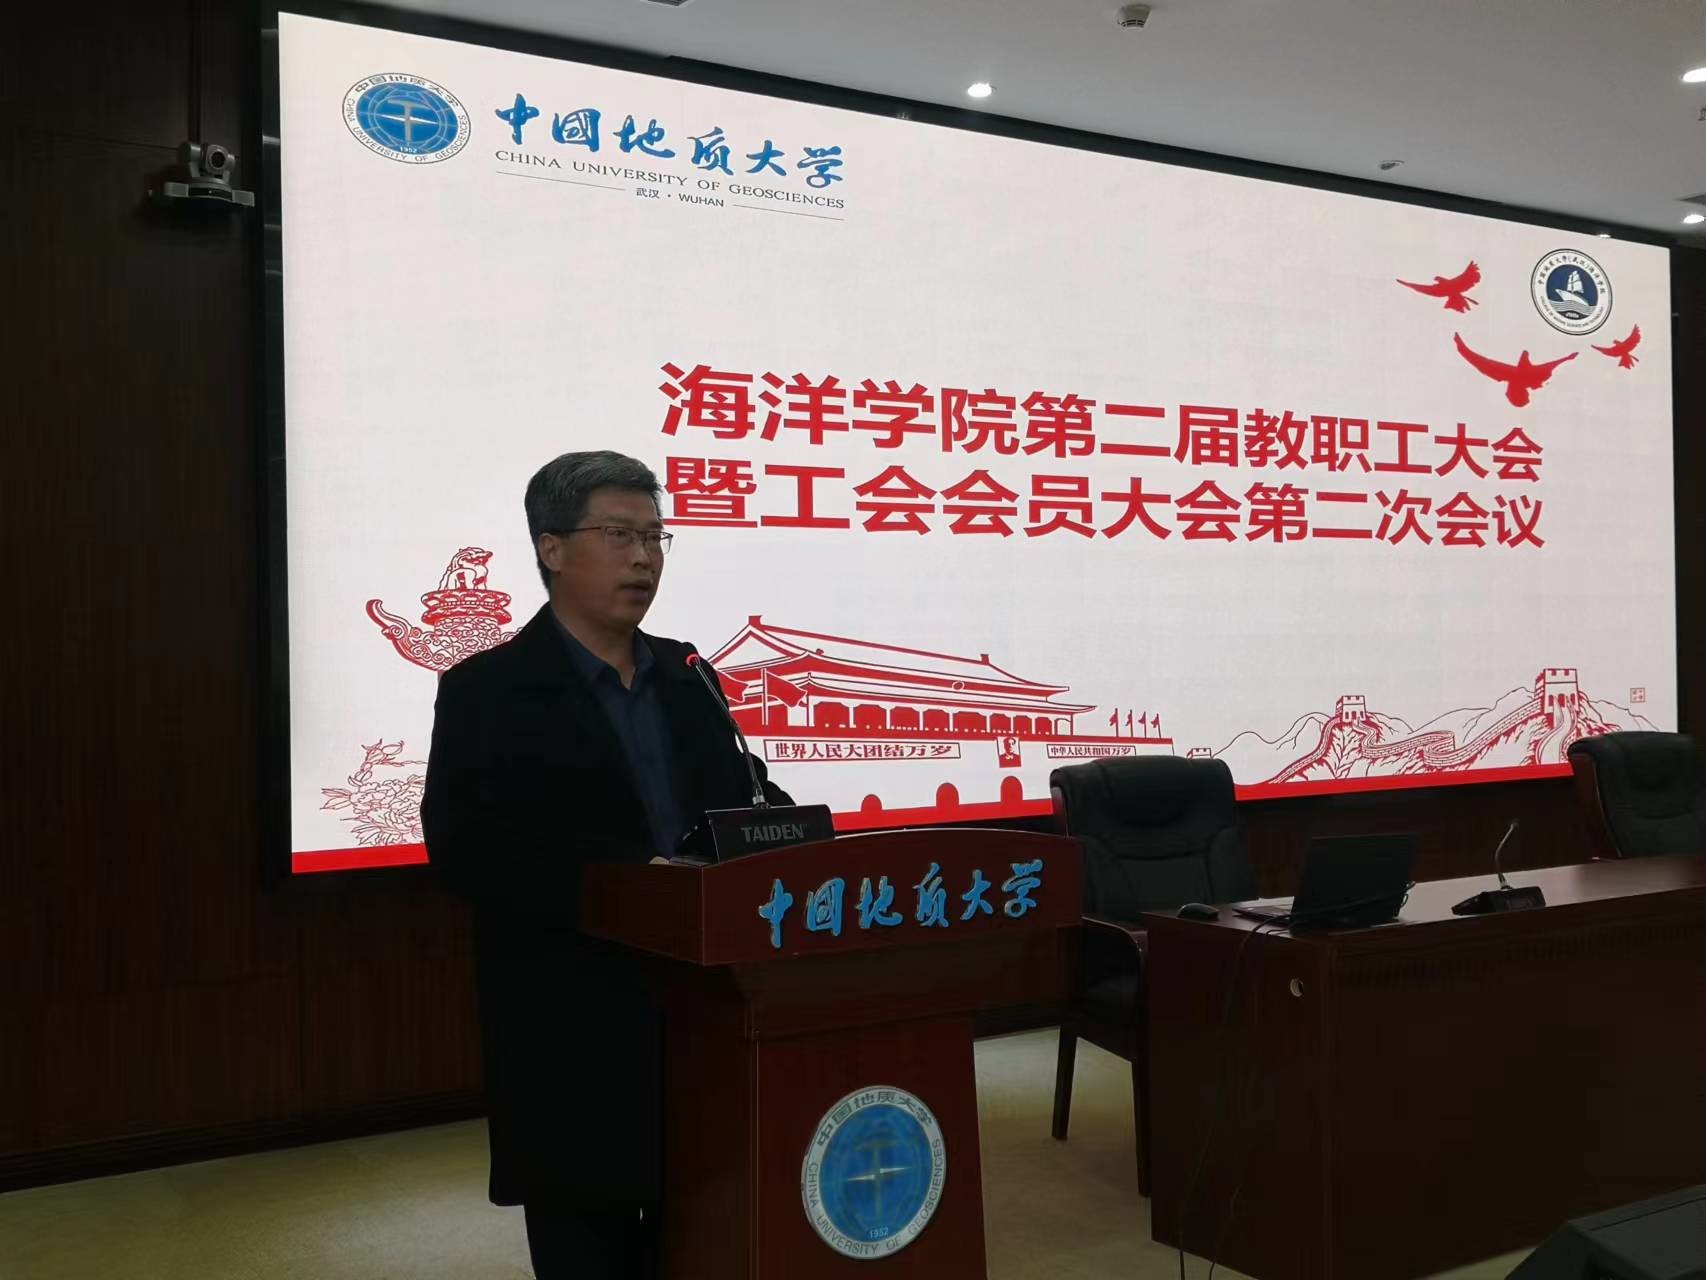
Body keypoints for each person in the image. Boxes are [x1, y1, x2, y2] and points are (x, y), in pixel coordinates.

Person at [420, 450, 793, 1280]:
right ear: (551, 549)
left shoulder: (687, 672)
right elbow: (467, 849)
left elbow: (746, 798)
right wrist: (628, 886)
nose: (643, 558)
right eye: (619, 535)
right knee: (585, 1241)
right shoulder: (489, 688)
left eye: (655, 537)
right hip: (569, 1013)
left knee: (705, 1227)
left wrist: (786, 837)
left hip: (700, 1004)